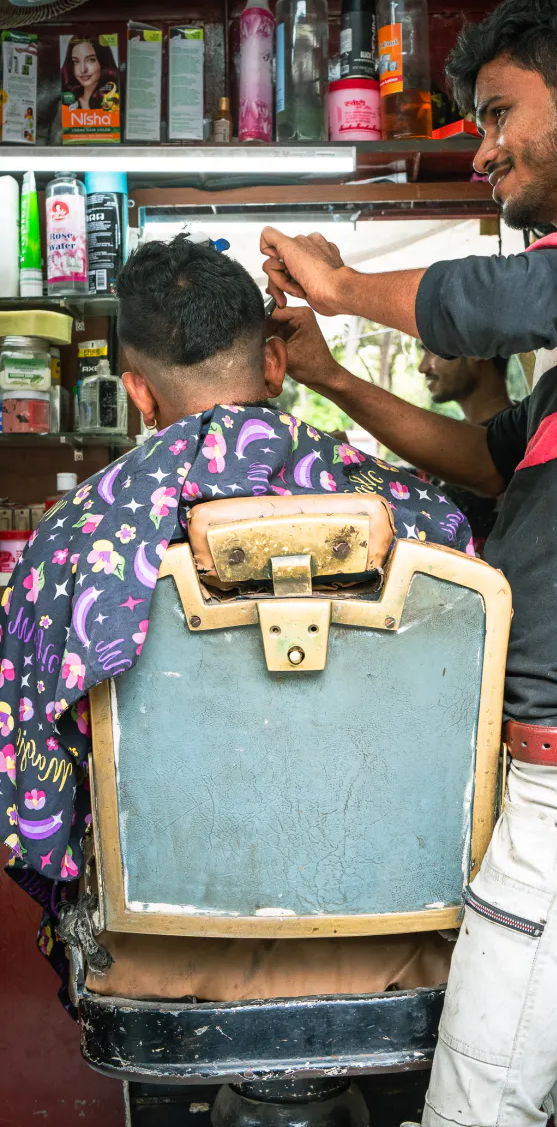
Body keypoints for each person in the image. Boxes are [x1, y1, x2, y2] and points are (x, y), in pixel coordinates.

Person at [259, 0, 557, 1127]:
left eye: (496, 112)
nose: (483, 150)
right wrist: (328, 377)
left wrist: (350, 286)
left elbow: (529, 292)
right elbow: (485, 458)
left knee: (475, 1107)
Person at [0, 236, 472, 1007]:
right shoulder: (414, 518)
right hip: (400, 924)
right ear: (276, 366)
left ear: (138, 393)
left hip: (162, 940)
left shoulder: (75, 543)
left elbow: (40, 774)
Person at [417, 349, 513, 553]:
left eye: (434, 351)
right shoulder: (449, 439)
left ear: (479, 350)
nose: (423, 367)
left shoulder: (519, 439)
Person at [61, 36, 120, 111]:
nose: (83, 70)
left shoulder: (114, 99)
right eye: (76, 61)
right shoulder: (66, 102)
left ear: (103, 61)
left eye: (91, 60)